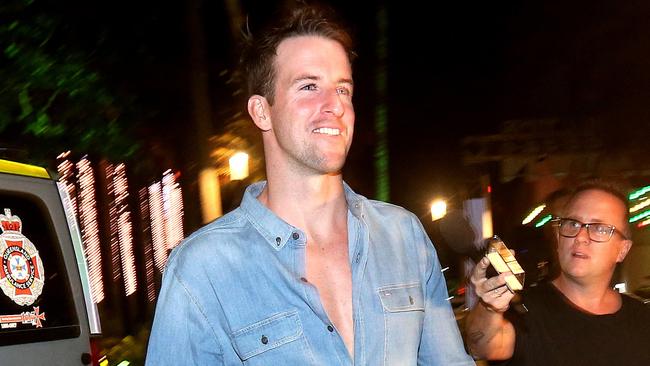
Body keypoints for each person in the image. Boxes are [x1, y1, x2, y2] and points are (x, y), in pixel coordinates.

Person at [145, 4, 474, 365]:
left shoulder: (402, 235)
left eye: (343, 89)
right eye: (309, 86)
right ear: (262, 111)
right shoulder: (202, 269)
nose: (334, 105)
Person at [465, 179, 650, 365]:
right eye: (572, 224)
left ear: (623, 250)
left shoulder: (642, 319)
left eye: (599, 228)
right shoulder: (524, 307)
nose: (580, 237)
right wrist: (490, 307)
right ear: (558, 238)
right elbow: (482, 346)